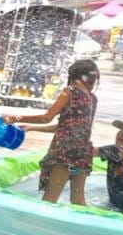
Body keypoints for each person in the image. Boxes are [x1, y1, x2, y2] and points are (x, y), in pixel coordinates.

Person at [6, 60, 99, 206]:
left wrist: (16, 118)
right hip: (83, 153)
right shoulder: (92, 99)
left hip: (65, 152)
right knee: (78, 201)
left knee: (49, 200)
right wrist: (31, 127)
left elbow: (46, 118)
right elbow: (67, 127)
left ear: (73, 75)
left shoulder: (69, 92)